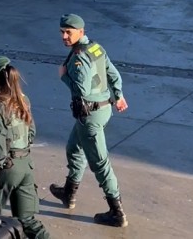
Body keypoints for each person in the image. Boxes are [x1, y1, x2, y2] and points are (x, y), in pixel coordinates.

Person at [48, 14, 128, 227]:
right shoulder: (95, 48)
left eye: (68, 32)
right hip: (101, 108)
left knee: (100, 163)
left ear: (81, 32)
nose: (64, 36)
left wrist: (64, 76)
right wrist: (118, 95)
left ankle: (116, 211)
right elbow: (113, 73)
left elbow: (81, 90)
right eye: (62, 32)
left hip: (89, 115)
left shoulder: (79, 57)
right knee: (73, 148)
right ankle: (68, 193)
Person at [0, 56, 51, 239]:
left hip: (7, 169)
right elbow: (31, 132)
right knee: (27, 219)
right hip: (26, 165)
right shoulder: (22, 99)